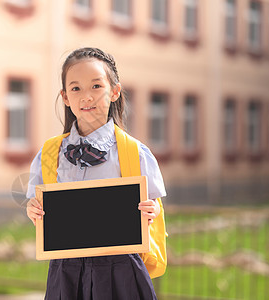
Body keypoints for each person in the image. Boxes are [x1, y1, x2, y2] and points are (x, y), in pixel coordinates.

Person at [26, 47, 166, 299]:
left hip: (120, 270)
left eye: (96, 86)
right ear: (65, 97)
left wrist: (151, 210)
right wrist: (33, 210)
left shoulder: (135, 152)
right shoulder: (49, 153)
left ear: (114, 91)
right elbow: (37, 203)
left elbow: (153, 205)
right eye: (76, 88)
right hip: (66, 271)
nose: (86, 97)